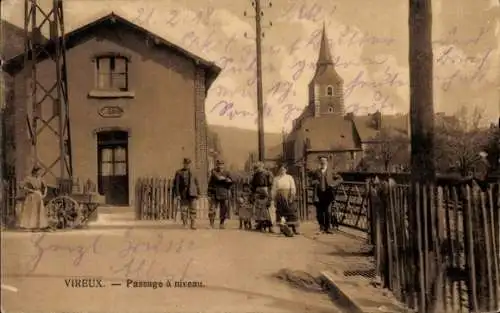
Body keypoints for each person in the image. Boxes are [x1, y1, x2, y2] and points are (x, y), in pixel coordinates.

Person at [310, 156, 343, 234]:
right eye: (321, 161)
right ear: (320, 162)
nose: (323, 162)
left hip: (328, 194)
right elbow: (311, 181)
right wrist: (314, 182)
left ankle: (328, 228)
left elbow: (340, 179)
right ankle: (321, 228)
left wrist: (333, 184)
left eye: (324, 161)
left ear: (327, 162)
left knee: (328, 212)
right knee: (320, 212)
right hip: (319, 194)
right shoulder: (316, 171)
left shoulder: (331, 171)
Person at [271, 162, 299, 237]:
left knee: (291, 212)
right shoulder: (276, 178)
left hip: (288, 195)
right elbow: (274, 189)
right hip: (279, 197)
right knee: (281, 213)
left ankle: (293, 228)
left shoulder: (289, 177)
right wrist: (274, 198)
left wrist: (292, 196)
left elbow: (293, 187)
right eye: (281, 169)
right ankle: (283, 229)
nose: (282, 171)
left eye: (283, 169)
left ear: (286, 170)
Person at [18, 165, 50, 231]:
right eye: (38, 171)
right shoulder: (28, 178)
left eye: (39, 171)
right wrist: (31, 190)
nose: (39, 173)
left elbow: (45, 187)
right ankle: (30, 226)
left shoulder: (40, 178)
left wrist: (44, 194)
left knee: (39, 210)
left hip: (39, 195)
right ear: (34, 171)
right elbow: (21, 186)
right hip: (31, 196)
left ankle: (39, 226)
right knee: (32, 211)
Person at [173, 158, 200, 230]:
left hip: (193, 193)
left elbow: (197, 183)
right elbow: (176, 185)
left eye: (188, 164)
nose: (187, 165)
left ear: (190, 164)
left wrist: (198, 193)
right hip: (183, 193)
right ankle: (185, 223)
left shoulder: (194, 172)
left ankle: (193, 224)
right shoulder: (179, 172)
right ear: (183, 164)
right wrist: (178, 194)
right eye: (185, 164)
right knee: (184, 209)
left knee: (193, 209)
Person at [208, 160, 233, 229]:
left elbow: (231, 182)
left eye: (221, 165)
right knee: (212, 209)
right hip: (214, 193)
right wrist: (209, 194)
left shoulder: (227, 172)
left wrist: (228, 181)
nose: (220, 166)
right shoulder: (214, 173)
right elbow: (210, 184)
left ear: (223, 165)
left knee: (224, 209)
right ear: (217, 165)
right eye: (219, 165)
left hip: (224, 193)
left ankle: (221, 223)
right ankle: (211, 223)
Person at [250, 162, 274, 232]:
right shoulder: (255, 175)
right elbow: (253, 185)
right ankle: (262, 225)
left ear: (262, 167)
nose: (258, 168)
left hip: (264, 190)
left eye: (259, 167)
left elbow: (270, 183)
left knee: (265, 209)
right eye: (257, 167)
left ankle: (267, 226)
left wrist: (269, 192)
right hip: (259, 191)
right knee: (260, 209)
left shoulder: (267, 173)